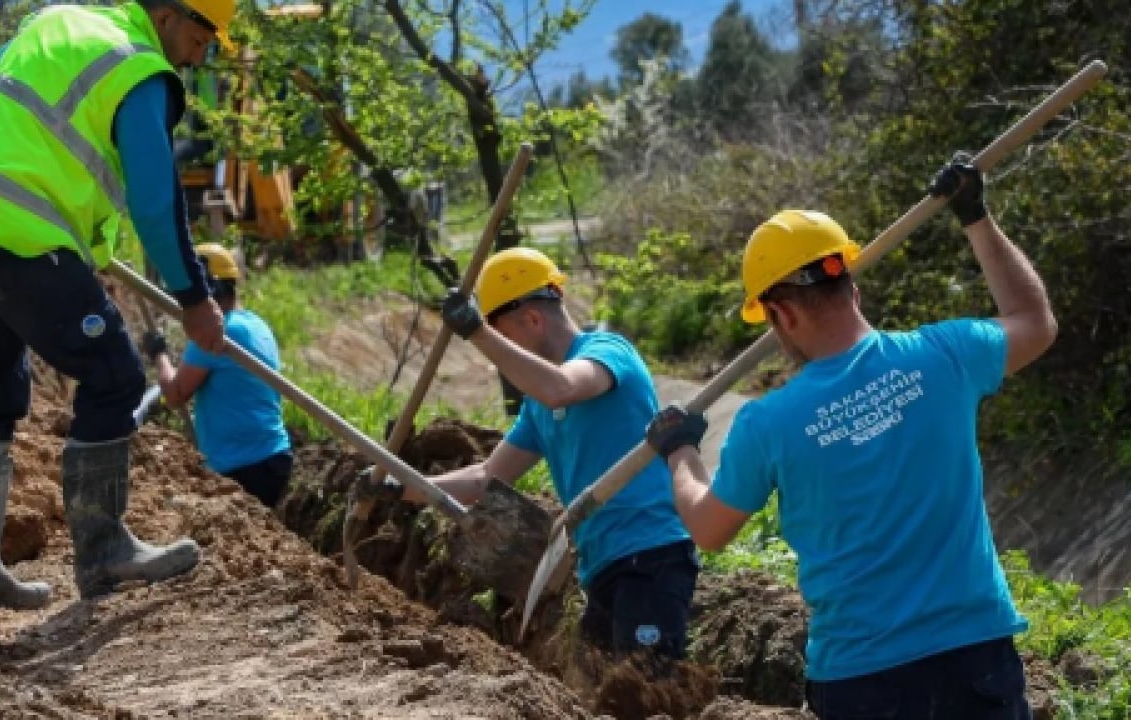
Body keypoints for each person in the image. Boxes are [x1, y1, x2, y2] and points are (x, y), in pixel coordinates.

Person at [643, 157, 1056, 719]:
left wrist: (680, 452)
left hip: (862, 680)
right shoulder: (945, 355)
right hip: (973, 657)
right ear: (852, 288)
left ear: (782, 315)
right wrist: (976, 217)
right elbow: (1034, 319)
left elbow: (709, 528)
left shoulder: (769, 423)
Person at [0, 0, 238, 610]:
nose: (198, 57)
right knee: (113, 377)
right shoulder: (140, 70)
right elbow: (156, 205)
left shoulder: (57, 19)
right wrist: (195, 298)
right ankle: (105, 552)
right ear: (165, 15)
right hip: (18, 236)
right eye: (200, 37)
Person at [355, 247, 700, 665]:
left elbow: (562, 387)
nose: (503, 360)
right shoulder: (539, 409)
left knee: (649, 691)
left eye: (504, 340)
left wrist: (477, 332)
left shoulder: (608, 353)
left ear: (533, 320)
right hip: (601, 566)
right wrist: (398, 487)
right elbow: (486, 481)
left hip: (651, 556)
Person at [143, 244, 294, 507]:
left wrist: (159, 353)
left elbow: (176, 394)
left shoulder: (218, 333)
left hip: (245, 467)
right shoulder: (254, 323)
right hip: (271, 458)